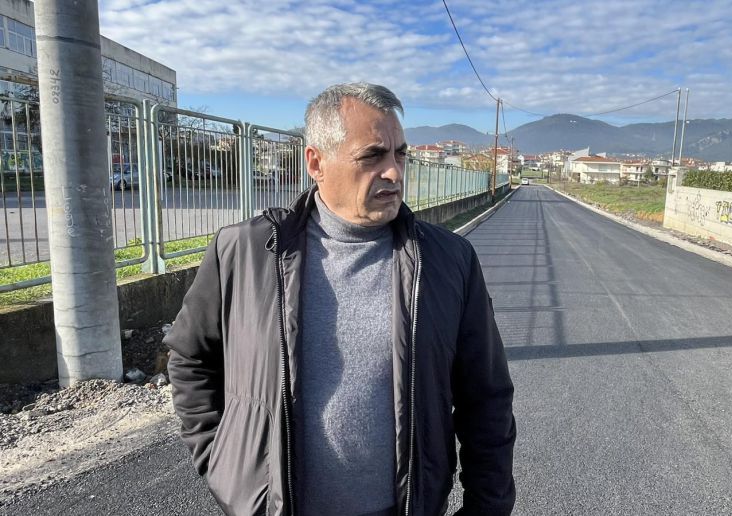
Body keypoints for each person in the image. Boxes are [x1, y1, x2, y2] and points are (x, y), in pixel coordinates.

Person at [165, 82, 516, 516]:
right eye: (373, 156)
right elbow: (190, 358)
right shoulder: (245, 252)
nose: (394, 173)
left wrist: (487, 508)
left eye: (400, 154)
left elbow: (486, 398)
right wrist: (220, 462)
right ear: (316, 162)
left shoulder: (449, 261)